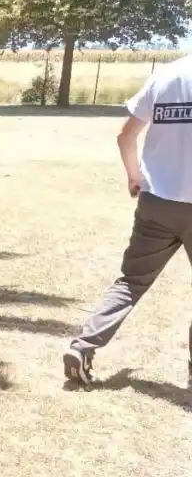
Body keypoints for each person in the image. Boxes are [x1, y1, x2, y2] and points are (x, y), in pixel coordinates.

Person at [63, 55, 192, 385]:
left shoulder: (165, 76)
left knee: (131, 282)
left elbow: (125, 136)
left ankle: (83, 347)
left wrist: (134, 177)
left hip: (156, 203)